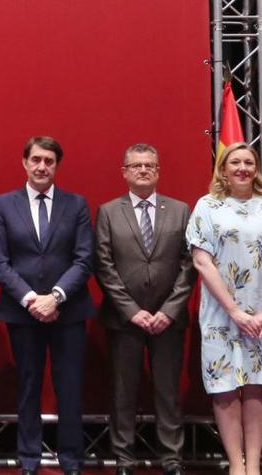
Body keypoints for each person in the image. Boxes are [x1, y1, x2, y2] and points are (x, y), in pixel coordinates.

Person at [186, 142, 262, 475]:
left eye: (249, 162)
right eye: (235, 162)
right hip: (222, 315)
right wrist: (235, 311)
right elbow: (201, 262)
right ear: (223, 168)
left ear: (256, 168)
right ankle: (237, 464)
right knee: (224, 386)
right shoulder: (207, 206)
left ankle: (254, 466)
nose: (242, 168)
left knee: (257, 386)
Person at [0, 136, 94, 475]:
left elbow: (84, 258)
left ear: (57, 165)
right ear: (24, 163)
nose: (42, 166)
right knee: (28, 385)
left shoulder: (75, 204)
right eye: (36, 159)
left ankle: (71, 460)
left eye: (49, 161)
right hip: (23, 311)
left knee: (70, 388)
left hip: (69, 310)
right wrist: (33, 299)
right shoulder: (4, 205)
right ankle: (29, 459)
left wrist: (56, 297)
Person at [94, 144, 193, 475]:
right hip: (125, 320)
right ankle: (124, 459)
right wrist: (131, 310)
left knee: (168, 392)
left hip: (169, 319)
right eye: (136, 165)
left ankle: (172, 459)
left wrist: (170, 310)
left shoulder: (180, 211)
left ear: (158, 170)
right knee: (124, 393)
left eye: (150, 165)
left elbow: (189, 265)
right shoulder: (108, 211)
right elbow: (104, 265)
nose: (143, 170)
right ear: (124, 171)